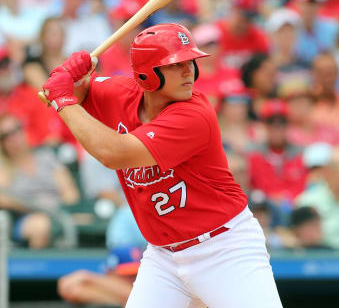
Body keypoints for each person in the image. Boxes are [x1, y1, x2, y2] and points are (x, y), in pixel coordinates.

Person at [41, 23, 283, 308]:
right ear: (146, 74)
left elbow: (113, 152)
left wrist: (64, 99)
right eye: (175, 64)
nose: (188, 71)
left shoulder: (194, 115)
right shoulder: (120, 92)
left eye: (191, 62)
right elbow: (71, 93)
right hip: (163, 256)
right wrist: (70, 79)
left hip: (224, 248)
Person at [0, 113, 79, 248]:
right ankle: (37, 268)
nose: (14, 138)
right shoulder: (4, 167)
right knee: (41, 225)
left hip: (59, 213)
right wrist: (37, 207)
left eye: (16, 129)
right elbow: (4, 198)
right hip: (22, 219)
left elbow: (71, 194)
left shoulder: (46, 157)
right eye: (6, 135)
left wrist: (58, 211)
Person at [58, 246, 144, 306]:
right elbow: (69, 289)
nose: (133, 279)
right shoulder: (95, 288)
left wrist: (87, 277)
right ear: (110, 272)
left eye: (136, 275)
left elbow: (131, 294)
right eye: (128, 275)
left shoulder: (143, 292)